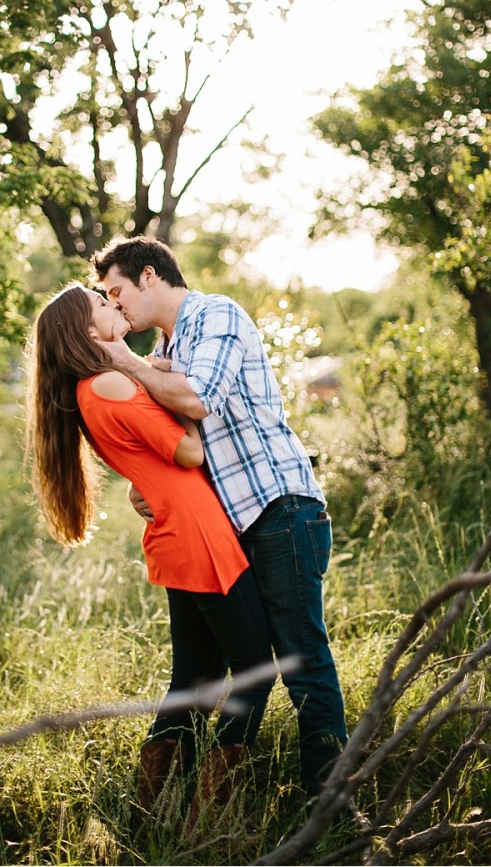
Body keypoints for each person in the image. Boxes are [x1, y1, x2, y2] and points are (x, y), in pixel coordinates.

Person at [88, 236, 348, 801]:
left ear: (150, 276)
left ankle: (328, 800)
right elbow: (181, 442)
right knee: (225, 665)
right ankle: (189, 800)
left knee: (302, 659)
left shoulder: (215, 315)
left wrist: (127, 362)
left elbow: (200, 399)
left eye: (117, 291)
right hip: (229, 529)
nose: (116, 305)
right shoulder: (165, 347)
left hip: (280, 510)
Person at [27, 284, 276, 826]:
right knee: (257, 670)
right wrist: (183, 403)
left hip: (178, 533)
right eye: (102, 305)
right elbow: (189, 450)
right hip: (198, 535)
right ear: (88, 333)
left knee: (192, 678)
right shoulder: (112, 381)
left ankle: (149, 812)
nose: (114, 305)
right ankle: (208, 817)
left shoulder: (90, 390)